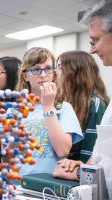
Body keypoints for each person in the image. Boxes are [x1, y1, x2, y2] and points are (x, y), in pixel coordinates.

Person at [53, 0, 112, 197]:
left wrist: (80, 171)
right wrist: (84, 167)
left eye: (95, 41)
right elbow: (103, 155)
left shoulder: (96, 104)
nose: (92, 50)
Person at [15, 47, 83, 175]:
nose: (43, 75)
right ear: (25, 76)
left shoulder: (63, 108)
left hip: (48, 185)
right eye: (36, 69)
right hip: (17, 183)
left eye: (47, 69)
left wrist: (47, 106)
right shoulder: (15, 110)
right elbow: (7, 157)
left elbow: (63, 150)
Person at [55, 51, 109, 163]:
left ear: (76, 71)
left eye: (60, 67)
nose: (55, 72)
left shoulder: (96, 105)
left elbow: (88, 157)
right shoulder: (62, 101)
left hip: (74, 176)